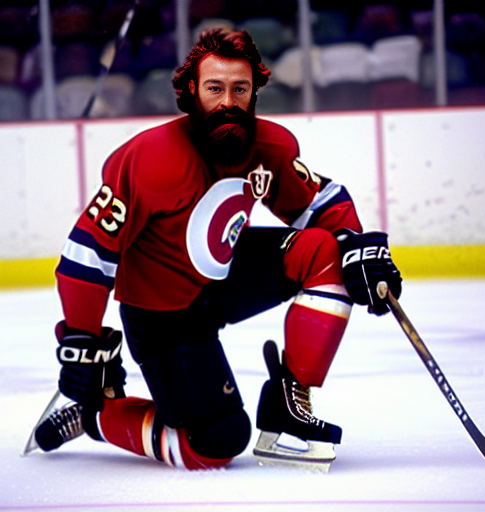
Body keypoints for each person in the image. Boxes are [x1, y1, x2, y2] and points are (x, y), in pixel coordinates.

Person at [33, 28, 402, 470]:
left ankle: (289, 401)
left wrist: (356, 248)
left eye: (239, 89)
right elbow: (86, 256)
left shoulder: (270, 146)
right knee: (215, 442)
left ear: (254, 94)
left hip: (222, 278)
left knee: (325, 251)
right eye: (214, 88)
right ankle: (97, 416)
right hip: (163, 312)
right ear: (191, 93)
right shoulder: (150, 160)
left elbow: (322, 199)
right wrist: (82, 339)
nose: (228, 101)